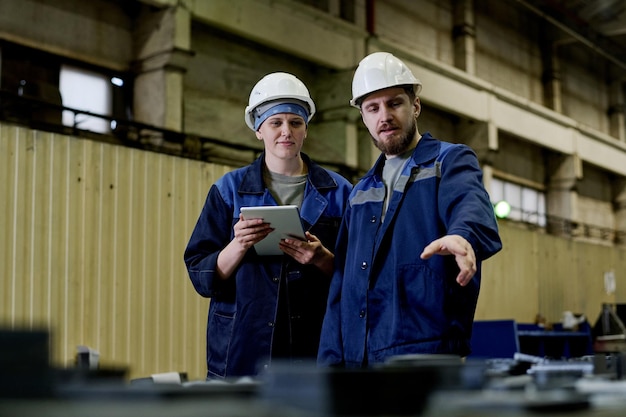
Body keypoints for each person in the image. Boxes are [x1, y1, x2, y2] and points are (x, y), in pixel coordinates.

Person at [317, 52, 503, 368]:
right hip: (359, 362)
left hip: (427, 358)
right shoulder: (361, 193)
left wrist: (463, 236)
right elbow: (343, 287)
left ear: (415, 106)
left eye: (395, 103)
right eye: (372, 108)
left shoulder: (449, 161)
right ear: (363, 118)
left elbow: (470, 204)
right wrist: (330, 363)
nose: (384, 116)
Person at [184, 72, 353, 379]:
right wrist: (238, 245)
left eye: (295, 122)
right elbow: (200, 275)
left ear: (305, 130)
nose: (286, 131)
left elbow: (359, 276)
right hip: (242, 352)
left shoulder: (341, 193)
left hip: (317, 349)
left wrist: (321, 258)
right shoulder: (228, 191)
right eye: (276, 122)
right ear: (259, 130)